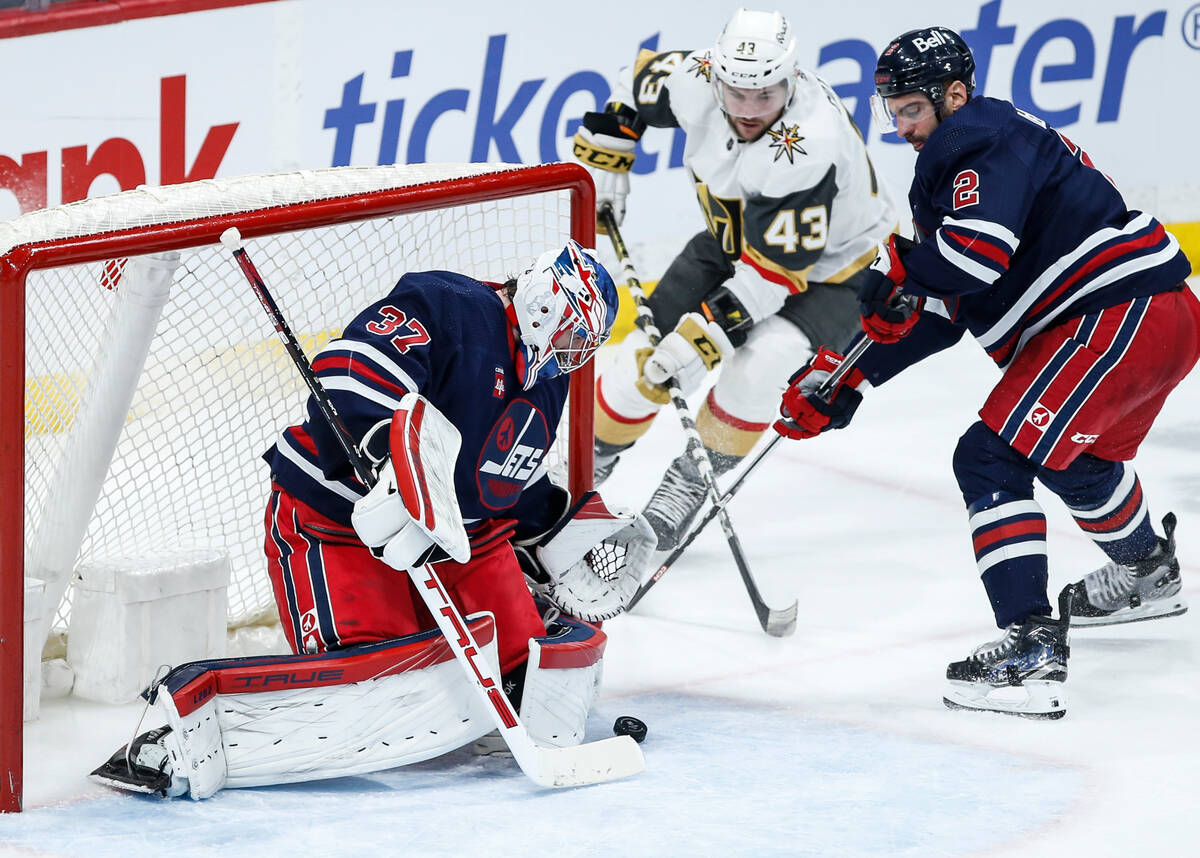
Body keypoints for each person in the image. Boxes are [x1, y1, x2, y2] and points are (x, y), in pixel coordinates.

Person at [91, 241, 657, 799]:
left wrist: (556, 525)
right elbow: (347, 373)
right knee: (378, 694)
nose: (573, 352)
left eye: (585, 345)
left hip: (462, 538)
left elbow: (501, 476)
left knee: (535, 679)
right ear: (543, 303)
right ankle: (175, 742)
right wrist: (388, 461)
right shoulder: (445, 304)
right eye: (571, 334)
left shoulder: (550, 375)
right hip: (341, 519)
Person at [774, 26, 1197, 718]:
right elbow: (946, 308)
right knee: (1073, 463)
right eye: (892, 112)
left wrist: (899, 270)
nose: (903, 127)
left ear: (955, 95)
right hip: (1152, 319)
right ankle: (1148, 570)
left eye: (911, 108)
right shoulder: (961, 160)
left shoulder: (981, 137)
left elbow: (975, 256)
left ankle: (1031, 647)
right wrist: (848, 377)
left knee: (989, 459)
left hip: (1112, 317)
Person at [572, 7, 897, 550]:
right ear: (717, 74)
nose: (749, 109)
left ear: (791, 79)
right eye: (737, 92)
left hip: (841, 273)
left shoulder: (809, 145)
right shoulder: (696, 79)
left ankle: (690, 483)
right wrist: (611, 156)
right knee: (639, 365)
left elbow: (771, 278)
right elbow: (631, 84)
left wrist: (698, 341)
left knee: (756, 368)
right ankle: (581, 472)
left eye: (765, 95)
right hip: (736, 241)